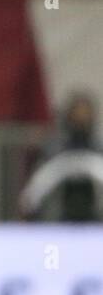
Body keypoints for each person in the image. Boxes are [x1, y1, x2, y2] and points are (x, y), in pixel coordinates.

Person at [20, 92, 103, 223]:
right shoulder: (54, 148)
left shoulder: (99, 148)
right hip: (61, 216)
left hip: (94, 216)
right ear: (69, 116)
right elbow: (38, 186)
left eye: (85, 114)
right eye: (78, 113)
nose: (81, 118)